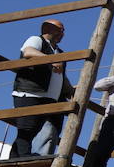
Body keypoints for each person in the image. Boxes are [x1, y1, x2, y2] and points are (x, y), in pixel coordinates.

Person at [11, 19, 74, 157]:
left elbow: (61, 77)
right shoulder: (36, 40)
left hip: (48, 98)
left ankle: (15, 159)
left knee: (33, 131)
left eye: (63, 31)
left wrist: (71, 90)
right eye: (60, 30)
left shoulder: (59, 52)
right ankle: (22, 159)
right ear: (47, 29)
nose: (62, 33)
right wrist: (50, 59)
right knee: (26, 129)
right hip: (30, 94)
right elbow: (28, 52)